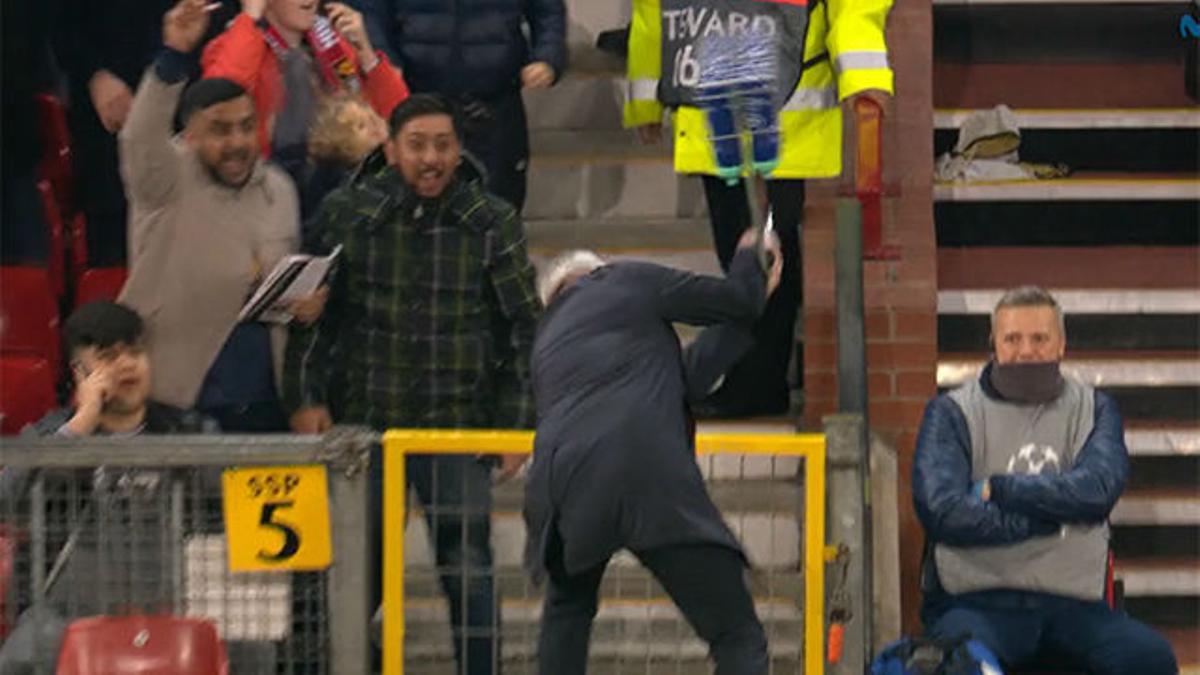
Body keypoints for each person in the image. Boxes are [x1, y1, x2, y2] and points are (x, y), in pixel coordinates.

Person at [284, 94, 542, 673]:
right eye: (417, 145)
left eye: (443, 145)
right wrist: (304, 396)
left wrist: (515, 424)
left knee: (469, 568)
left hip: (458, 428)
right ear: (391, 148)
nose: (431, 158)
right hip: (363, 429)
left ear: (459, 150)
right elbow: (312, 317)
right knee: (356, 569)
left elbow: (524, 330)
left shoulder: (493, 220)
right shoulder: (344, 212)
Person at [524, 231, 783, 675]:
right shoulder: (625, 280)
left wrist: (752, 305)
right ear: (599, 268)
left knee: (568, 609)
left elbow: (683, 379)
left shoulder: (546, 342)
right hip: (651, 476)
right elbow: (734, 299)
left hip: (563, 490)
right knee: (736, 636)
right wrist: (750, 261)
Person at [625, 0, 894, 417]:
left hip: (786, 121)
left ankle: (760, 382)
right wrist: (648, 99)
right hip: (715, 114)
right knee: (739, 257)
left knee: (769, 262)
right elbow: (655, 15)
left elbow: (855, 9)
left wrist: (865, 78)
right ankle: (752, 378)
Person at [912, 286, 1177, 674]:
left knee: (1150, 659)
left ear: (1061, 344)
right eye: (1013, 339)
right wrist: (1044, 520)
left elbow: (1098, 490)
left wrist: (999, 490)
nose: (1026, 350)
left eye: (1039, 338)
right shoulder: (951, 413)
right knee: (959, 665)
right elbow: (943, 512)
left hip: (1076, 608)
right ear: (994, 344)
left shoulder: (1095, 409)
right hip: (976, 604)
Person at [117, 0, 322, 432]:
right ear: (189, 136)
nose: (237, 143)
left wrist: (304, 306)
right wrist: (173, 57)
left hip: (264, 402)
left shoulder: (279, 190)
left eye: (247, 126)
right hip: (174, 399)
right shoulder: (165, 178)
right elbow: (140, 136)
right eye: (220, 130)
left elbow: (285, 295)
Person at [0, 301, 218, 673]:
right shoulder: (49, 435)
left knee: (250, 649)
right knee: (21, 656)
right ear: (79, 372)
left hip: (173, 611)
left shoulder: (190, 432)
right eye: (108, 356)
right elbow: (6, 503)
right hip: (67, 615)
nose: (127, 364)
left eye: (135, 352)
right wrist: (81, 426)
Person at [51, 0, 238, 266]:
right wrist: (94, 75)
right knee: (118, 262)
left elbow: (224, 17)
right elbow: (61, 25)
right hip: (110, 139)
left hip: (193, 131)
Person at [352, 0, 567, 211]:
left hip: (494, 103)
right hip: (413, 102)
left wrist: (548, 57)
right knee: (407, 211)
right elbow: (370, 11)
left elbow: (548, 10)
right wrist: (384, 61)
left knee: (498, 207)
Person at [202, 0, 409, 184]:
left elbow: (400, 119)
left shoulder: (335, 45)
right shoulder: (233, 46)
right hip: (269, 187)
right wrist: (249, 20)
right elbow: (220, 104)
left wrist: (367, 55)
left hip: (346, 183)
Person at [302, 93, 389, 222]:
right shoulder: (336, 185)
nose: (374, 126)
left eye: (373, 117)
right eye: (361, 126)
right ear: (340, 142)